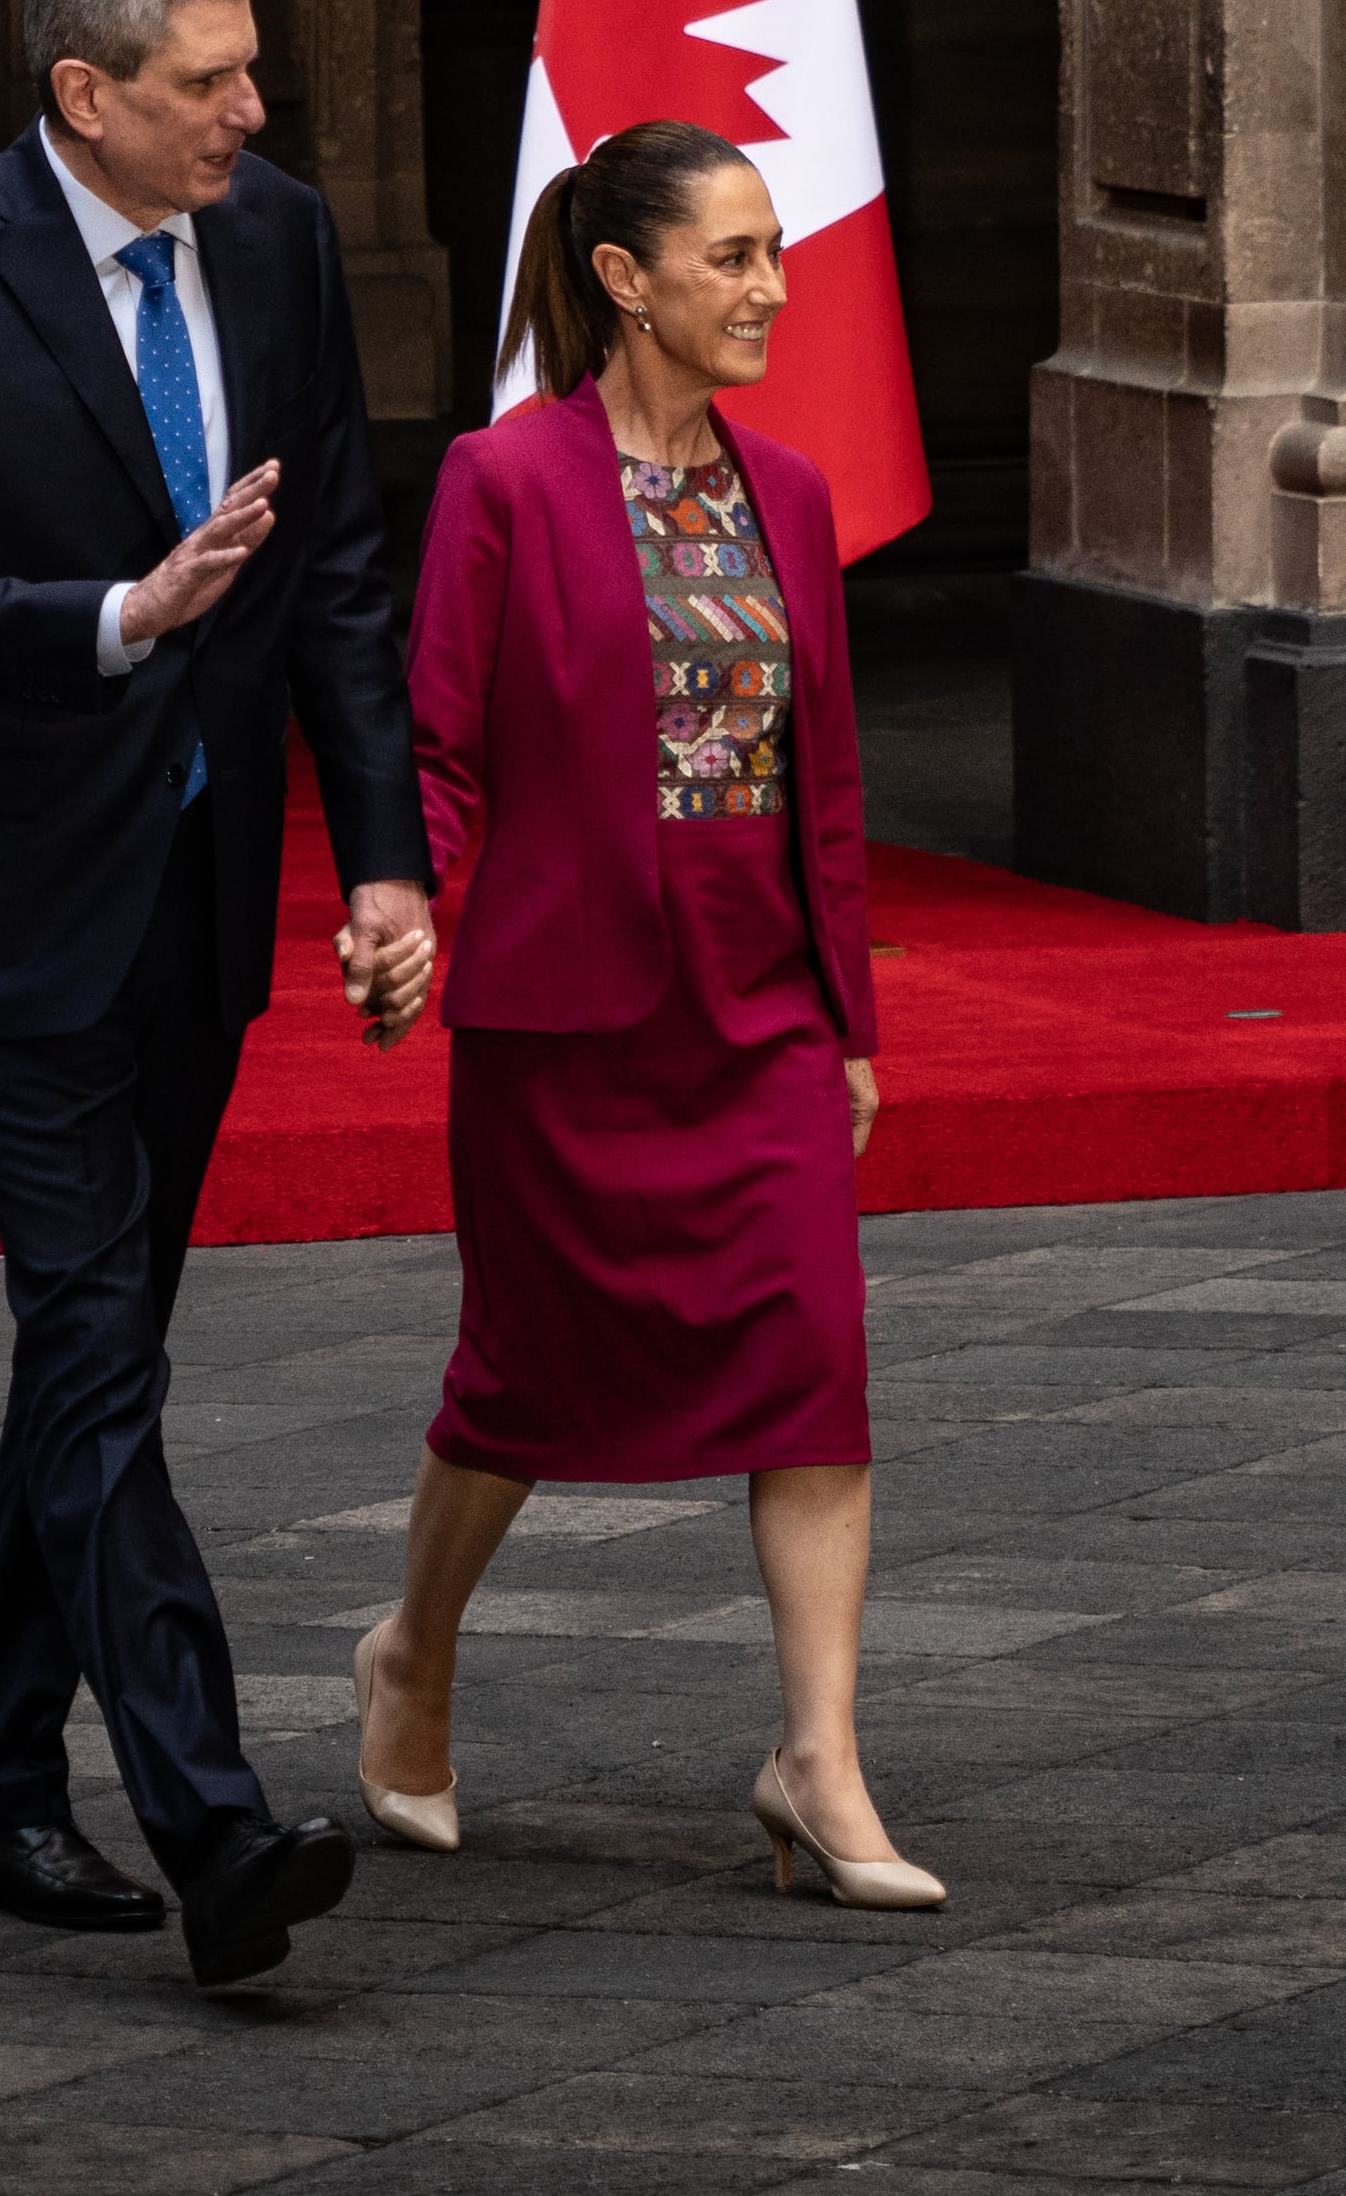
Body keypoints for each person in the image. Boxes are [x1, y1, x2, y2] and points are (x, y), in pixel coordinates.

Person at [0, 0, 442, 1988]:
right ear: (84, 94)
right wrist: (116, 614)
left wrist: (380, 860)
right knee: (95, 1341)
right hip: (16, 894)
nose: (250, 112)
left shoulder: (278, 241)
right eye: (207, 81)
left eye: (251, 68)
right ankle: (214, 1820)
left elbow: (337, 568)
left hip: (205, 886)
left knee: (96, 1352)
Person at [349, 118, 940, 1910]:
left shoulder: (796, 493)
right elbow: (439, 740)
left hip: (758, 1012)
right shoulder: (503, 479)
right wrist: (401, 906)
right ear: (625, 279)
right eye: (733, 256)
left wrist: (848, 1019)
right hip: (568, 1020)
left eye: (774, 252)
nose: (772, 287)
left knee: (814, 1369)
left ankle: (817, 1759)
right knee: (521, 1382)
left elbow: (824, 779)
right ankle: (413, 1652)